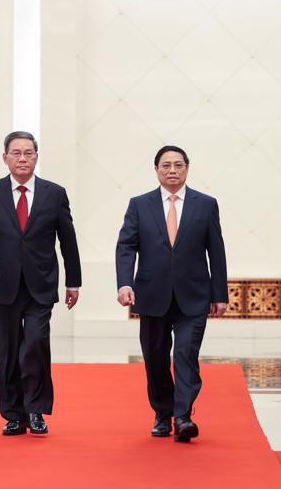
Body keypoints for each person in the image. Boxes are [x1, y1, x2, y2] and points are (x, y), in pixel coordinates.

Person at [0, 131, 81, 436]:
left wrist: (74, 282)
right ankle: (12, 414)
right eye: (16, 153)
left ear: (36, 157)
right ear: (5, 157)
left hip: (40, 285)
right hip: (0, 284)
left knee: (34, 345)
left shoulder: (54, 193)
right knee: (5, 351)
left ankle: (35, 411)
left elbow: (67, 239)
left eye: (28, 153)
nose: (22, 158)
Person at [115, 145, 228, 442]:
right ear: (156, 170)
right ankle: (162, 413)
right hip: (151, 295)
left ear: (187, 168)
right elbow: (126, 246)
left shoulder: (206, 205)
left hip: (194, 295)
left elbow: (216, 251)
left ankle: (183, 416)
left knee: (185, 355)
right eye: (166, 165)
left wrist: (220, 294)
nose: (172, 170)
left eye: (178, 165)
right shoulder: (140, 205)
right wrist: (124, 283)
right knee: (155, 358)